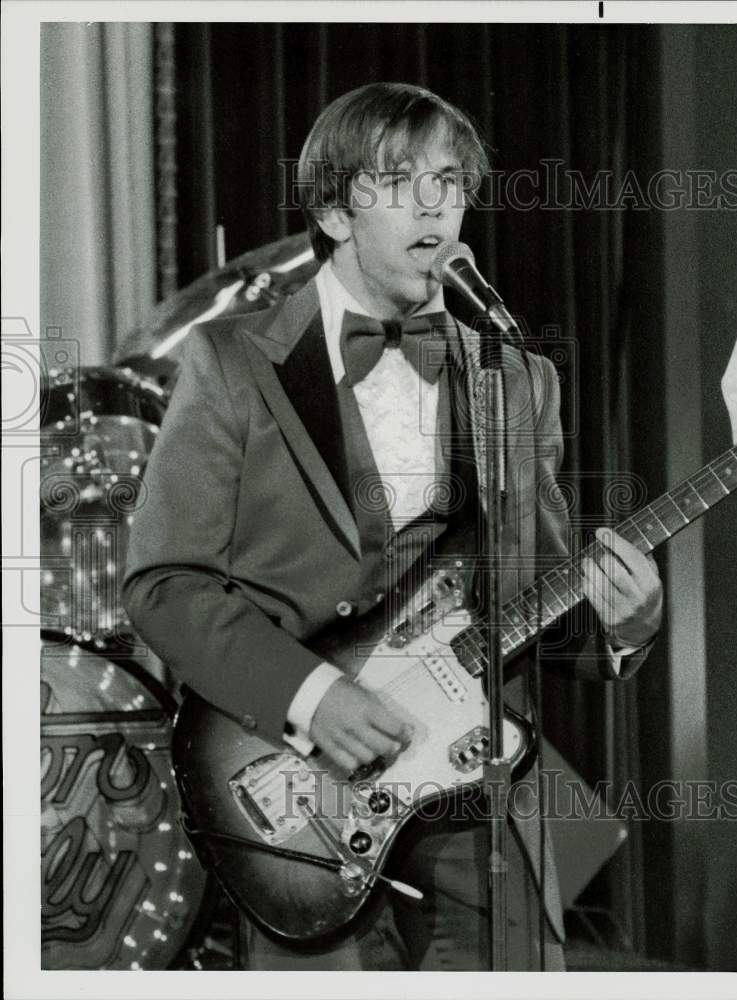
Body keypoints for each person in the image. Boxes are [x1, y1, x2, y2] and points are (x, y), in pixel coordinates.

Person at [123, 82, 663, 971]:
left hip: (478, 790)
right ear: (334, 212)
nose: (435, 206)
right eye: (398, 181)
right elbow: (162, 584)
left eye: (450, 181)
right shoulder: (232, 365)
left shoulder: (519, 378)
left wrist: (624, 625)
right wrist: (310, 695)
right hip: (300, 796)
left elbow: (540, 598)